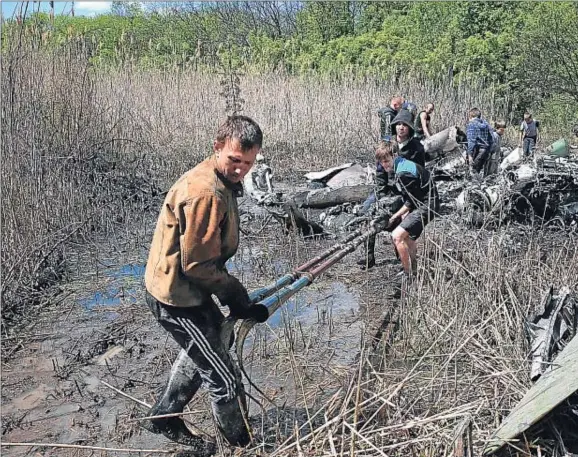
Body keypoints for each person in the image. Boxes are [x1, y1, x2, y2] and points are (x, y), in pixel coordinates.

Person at [143, 115, 270, 455]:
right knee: (224, 378)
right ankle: (241, 445)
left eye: (247, 163)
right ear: (217, 147)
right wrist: (237, 298)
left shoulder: (220, 180)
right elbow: (198, 266)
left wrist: (233, 299)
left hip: (189, 289)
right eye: (234, 160)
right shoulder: (204, 192)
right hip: (177, 297)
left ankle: (163, 414)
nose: (240, 169)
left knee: (212, 346)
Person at [377, 140, 439, 279]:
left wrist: (394, 217)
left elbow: (412, 201)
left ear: (394, 155)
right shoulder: (401, 164)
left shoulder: (403, 173)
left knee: (397, 236)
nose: (384, 165)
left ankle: (407, 274)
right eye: (381, 162)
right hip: (426, 201)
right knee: (409, 238)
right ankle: (414, 270)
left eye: (386, 161)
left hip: (427, 205)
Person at [466, 108, 493, 179]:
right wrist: (490, 149)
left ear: (470, 116)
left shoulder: (471, 125)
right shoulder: (486, 123)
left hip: (477, 151)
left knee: (472, 171)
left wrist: (470, 155)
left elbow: (471, 141)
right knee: (477, 170)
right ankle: (478, 185)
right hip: (485, 150)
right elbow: (491, 137)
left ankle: (473, 186)